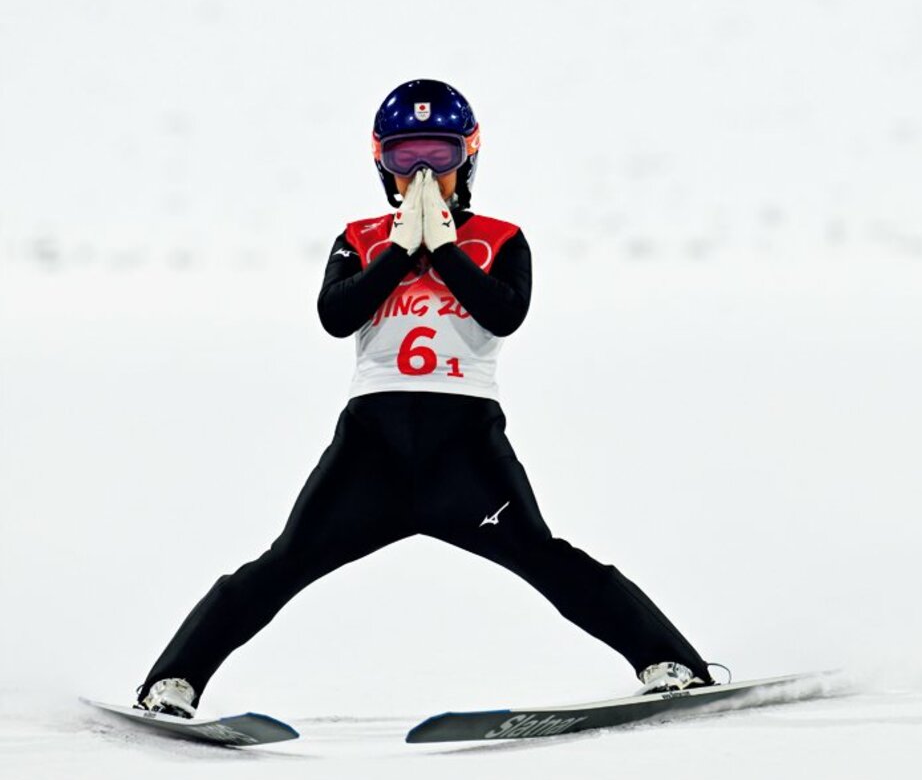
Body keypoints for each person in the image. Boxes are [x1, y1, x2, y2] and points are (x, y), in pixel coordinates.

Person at [135, 79, 714, 719]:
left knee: (548, 560)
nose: (421, 173)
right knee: (284, 563)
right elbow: (335, 314)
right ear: (380, 159)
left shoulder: (502, 237)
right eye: (404, 156)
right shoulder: (358, 238)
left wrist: (443, 249)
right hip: (370, 446)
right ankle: (172, 684)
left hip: (463, 447)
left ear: (467, 156)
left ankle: (674, 664)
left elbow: (503, 315)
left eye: (437, 156)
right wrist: (399, 252)